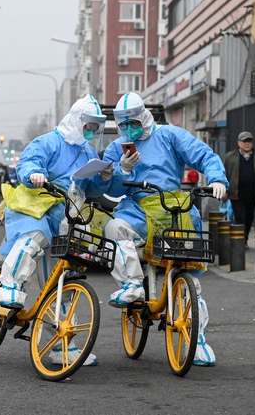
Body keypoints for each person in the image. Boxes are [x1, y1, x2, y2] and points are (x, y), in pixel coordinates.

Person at [102, 92, 228, 366]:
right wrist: (122, 171)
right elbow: (109, 189)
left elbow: (203, 154)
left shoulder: (170, 135)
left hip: (174, 208)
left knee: (190, 282)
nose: (129, 129)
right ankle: (132, 285)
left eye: (133, 122)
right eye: (123, 125)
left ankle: (198, 341)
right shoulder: (118, 147)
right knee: (115, 228)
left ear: (144, 116)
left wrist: (217, 178)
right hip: (137, 208)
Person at [0, 94, 112, 366]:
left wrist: (104, 178)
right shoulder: (48, 142)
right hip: (34, 208)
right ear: (77, 120)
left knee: (59, 284)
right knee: (35, 238)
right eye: (89, 125)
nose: (92, 131)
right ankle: (9, 287)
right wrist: (34, 174)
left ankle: (59, 345)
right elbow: (27, 164)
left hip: (65, 219)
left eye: (96, 126)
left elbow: (89, 189)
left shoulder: (89, 152)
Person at [222, 131, 255, 249]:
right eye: (244, 141)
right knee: (240, 217)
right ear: (239, 143)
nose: (247, 144)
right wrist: (225, 190)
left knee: (249, 218)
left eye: (249, 141)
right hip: (236, 194)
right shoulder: (230, 157)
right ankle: (240, 242)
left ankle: (244, 238)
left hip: (253, 193)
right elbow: (225, 174)